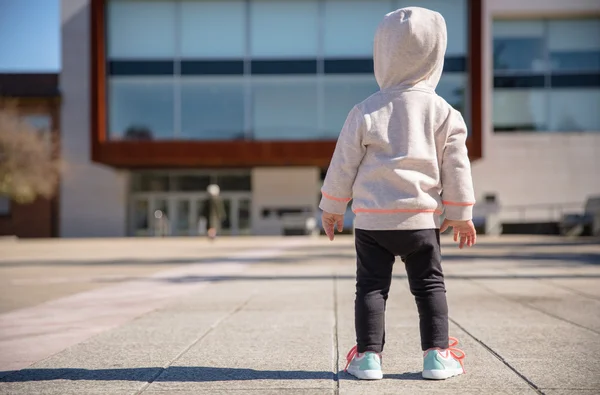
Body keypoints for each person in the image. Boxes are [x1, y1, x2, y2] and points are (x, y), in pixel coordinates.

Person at [319, 7, 476, 381]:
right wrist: (460, 212)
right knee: (430, 287)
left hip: (373, 222)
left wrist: (333, 207)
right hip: (421, 221)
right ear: (436, 55)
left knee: (371, 288)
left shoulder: (365, 110)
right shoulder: (444, 112)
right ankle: (437, 355)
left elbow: (343, 164)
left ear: (382, 54)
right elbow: (456, 165)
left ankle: (369, 358)